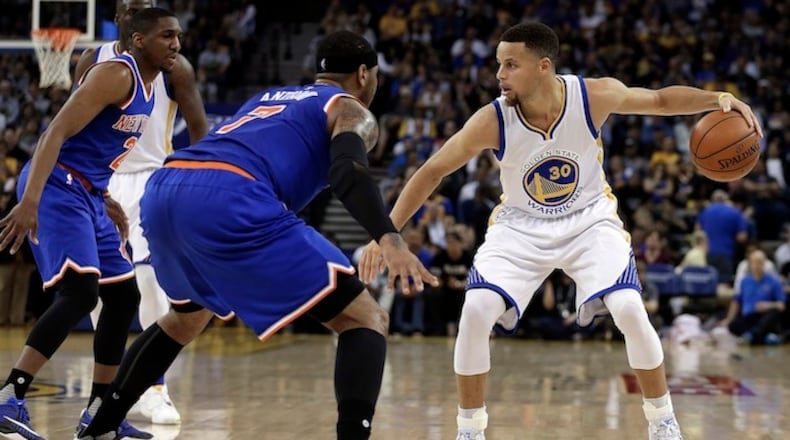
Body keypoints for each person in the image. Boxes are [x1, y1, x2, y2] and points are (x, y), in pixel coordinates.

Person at [359, 22, 762, 440]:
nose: (499, 75)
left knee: (628, 307)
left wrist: (718, 98)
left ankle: (663, 422)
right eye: (499, 64)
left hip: (589, 220)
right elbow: (432, 171)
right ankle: (470, 431)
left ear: (543, 66)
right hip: (520, 226)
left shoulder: (592, 96)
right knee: (476, 311)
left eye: (510, 65)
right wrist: (385, 234)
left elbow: (659, 100)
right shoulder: (492, 119)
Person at [75, 30, 438, 440]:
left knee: (184, 319)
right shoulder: (350, 109)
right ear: (363, 74)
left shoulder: (268, 98)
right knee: (365, 318)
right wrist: (389, 237)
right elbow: (347, 171)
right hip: (230, 192)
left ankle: (98, 429)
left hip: (166, 186)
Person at [0, 7, 182, 440]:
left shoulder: (153, 85)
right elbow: (56, 132)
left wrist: (105, 197)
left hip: (89, 191)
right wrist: (29, 200)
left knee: (122, 297)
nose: (176, 44)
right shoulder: (116, 74)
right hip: (57, 184)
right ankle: (10, 396)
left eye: (178, 35)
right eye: (166, 36)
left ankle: (100, 416)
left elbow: (94, 146)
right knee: (81, 292)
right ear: (139, 40)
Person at [72, 0, 209, 426]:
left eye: (146, 7)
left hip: (152, 178)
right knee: (100, 288)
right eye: (131, 7)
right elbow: (73, 121)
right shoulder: (93, 59)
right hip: (101, 178)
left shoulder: (174, 67)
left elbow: (199, 128)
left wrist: (202, 184)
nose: (138, 12)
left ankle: (155, 389)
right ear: (118, 16)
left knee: (151, 284)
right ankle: (108, 388)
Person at [719, 249, 786, 345]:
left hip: (765, 316)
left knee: (772, 315)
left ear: (764, 263)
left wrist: (768, 305)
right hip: (749, 317)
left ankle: (754, 335)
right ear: (750, 264)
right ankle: (763, 338)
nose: (757, 265)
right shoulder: (745, 281)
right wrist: (729, 319)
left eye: (759, 262)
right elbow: (736, 301)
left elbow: (782, 305)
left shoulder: (773, 281)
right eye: (754, 262)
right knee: (732, 326)